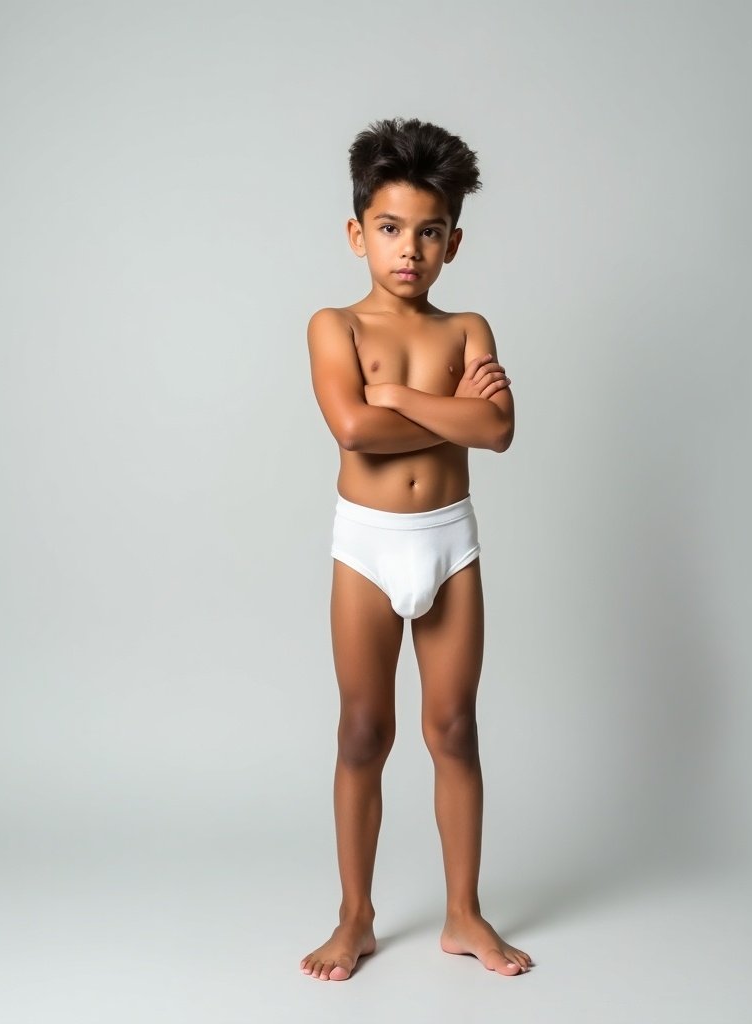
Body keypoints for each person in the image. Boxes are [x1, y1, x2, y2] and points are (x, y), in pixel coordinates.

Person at [300, 117, 531, 981]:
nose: (409, 250)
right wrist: (443, 409)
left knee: (455, 728)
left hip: (449, 545)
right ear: (359, 233)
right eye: (391, 230)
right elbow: (354, 429)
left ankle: (463, 915)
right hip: (367, 548)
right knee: (364, 731)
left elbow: (500, 431)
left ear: (453, 242)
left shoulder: (467, 327)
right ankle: (354, 915)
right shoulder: (335, 326)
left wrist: (399, 393)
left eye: (428, 233)